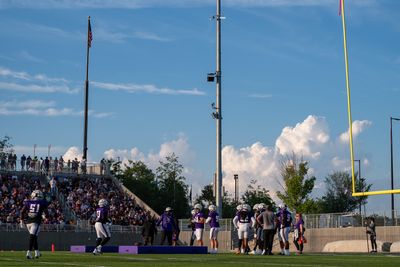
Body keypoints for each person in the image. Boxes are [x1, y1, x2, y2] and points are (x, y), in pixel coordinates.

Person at [19, 189, 49, 259]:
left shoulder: (28, 202)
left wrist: (21, 221)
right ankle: (29, 252)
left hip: (28, 222)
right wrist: (44, 216)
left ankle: (36, 252)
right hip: (35, 222)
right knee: (32, 237)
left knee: (34, 237)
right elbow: (47, 214)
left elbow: (21, 212)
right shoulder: (42, 203)